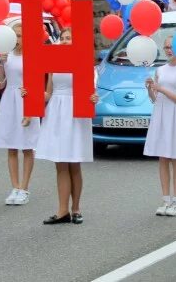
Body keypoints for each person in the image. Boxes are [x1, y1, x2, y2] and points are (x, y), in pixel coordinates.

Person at [36, 28, 99, 225]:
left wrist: (93, 98)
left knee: (74, 162)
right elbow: (48, 93)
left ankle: (76, 209)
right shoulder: (54, 63)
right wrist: (31, 95)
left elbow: (92, 91)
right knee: (60, 163)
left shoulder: (84, 63)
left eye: (69, 38)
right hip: (56, 111)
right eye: (62, 38)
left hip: (75, 112)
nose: (64, 41)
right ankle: (62, 210)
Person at [144, 37, 176, 217]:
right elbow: (154, 99)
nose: (169, 50)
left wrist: (162, 89)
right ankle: (165, 199)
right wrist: (150, 88)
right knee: (163, 158)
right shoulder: (160, 70)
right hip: (161, 115)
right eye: (166, 47)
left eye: (172, 47)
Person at [0, 23, 39, 206]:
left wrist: (30, 109)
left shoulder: (32, 56)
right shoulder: (7, 56)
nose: (17, 39)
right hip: (9, 100)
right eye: (15, 35)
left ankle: (24, 188)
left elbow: (36, 83)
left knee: (27, 146)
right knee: (11, 146)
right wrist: (1, 66)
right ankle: (15, 187)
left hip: (26, 98)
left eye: (20, 36)